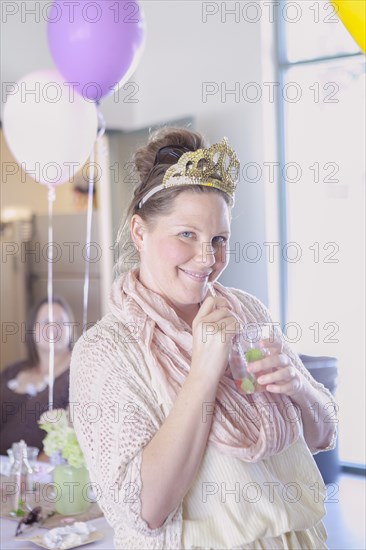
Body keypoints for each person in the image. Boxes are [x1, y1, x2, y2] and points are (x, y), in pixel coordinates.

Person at [70, 127, 338, 549]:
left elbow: (324, 435)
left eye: (219, 239)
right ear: (140, 232)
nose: (207, 258)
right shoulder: (106, 351)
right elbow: (145, 510)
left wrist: (300, 387)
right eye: (186, 235)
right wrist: (204, 370)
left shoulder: (246, 312)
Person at [1, 297, 74, 455]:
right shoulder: (14, 370)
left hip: (40, 474)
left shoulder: (77, 373)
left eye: (61, 322)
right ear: (32, 329)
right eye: (46, 322)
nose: (53, 328)